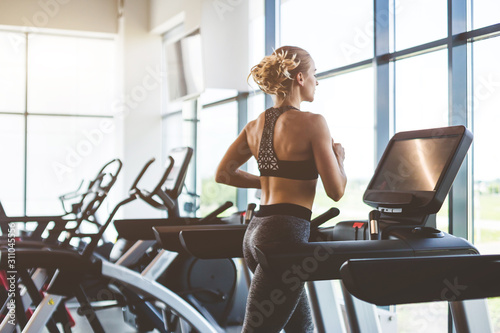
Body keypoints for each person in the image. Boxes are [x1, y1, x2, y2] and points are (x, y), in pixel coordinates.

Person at [215, 46, 347, 333]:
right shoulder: (314, 123)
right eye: (314, 75)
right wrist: (340, 159)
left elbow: (223, 174)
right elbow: (336, 190)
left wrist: (264, 181)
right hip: (284, 236)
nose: (317, 82)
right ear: (300, 78)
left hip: (256, 232)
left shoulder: (255, 125)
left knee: (302, 329)